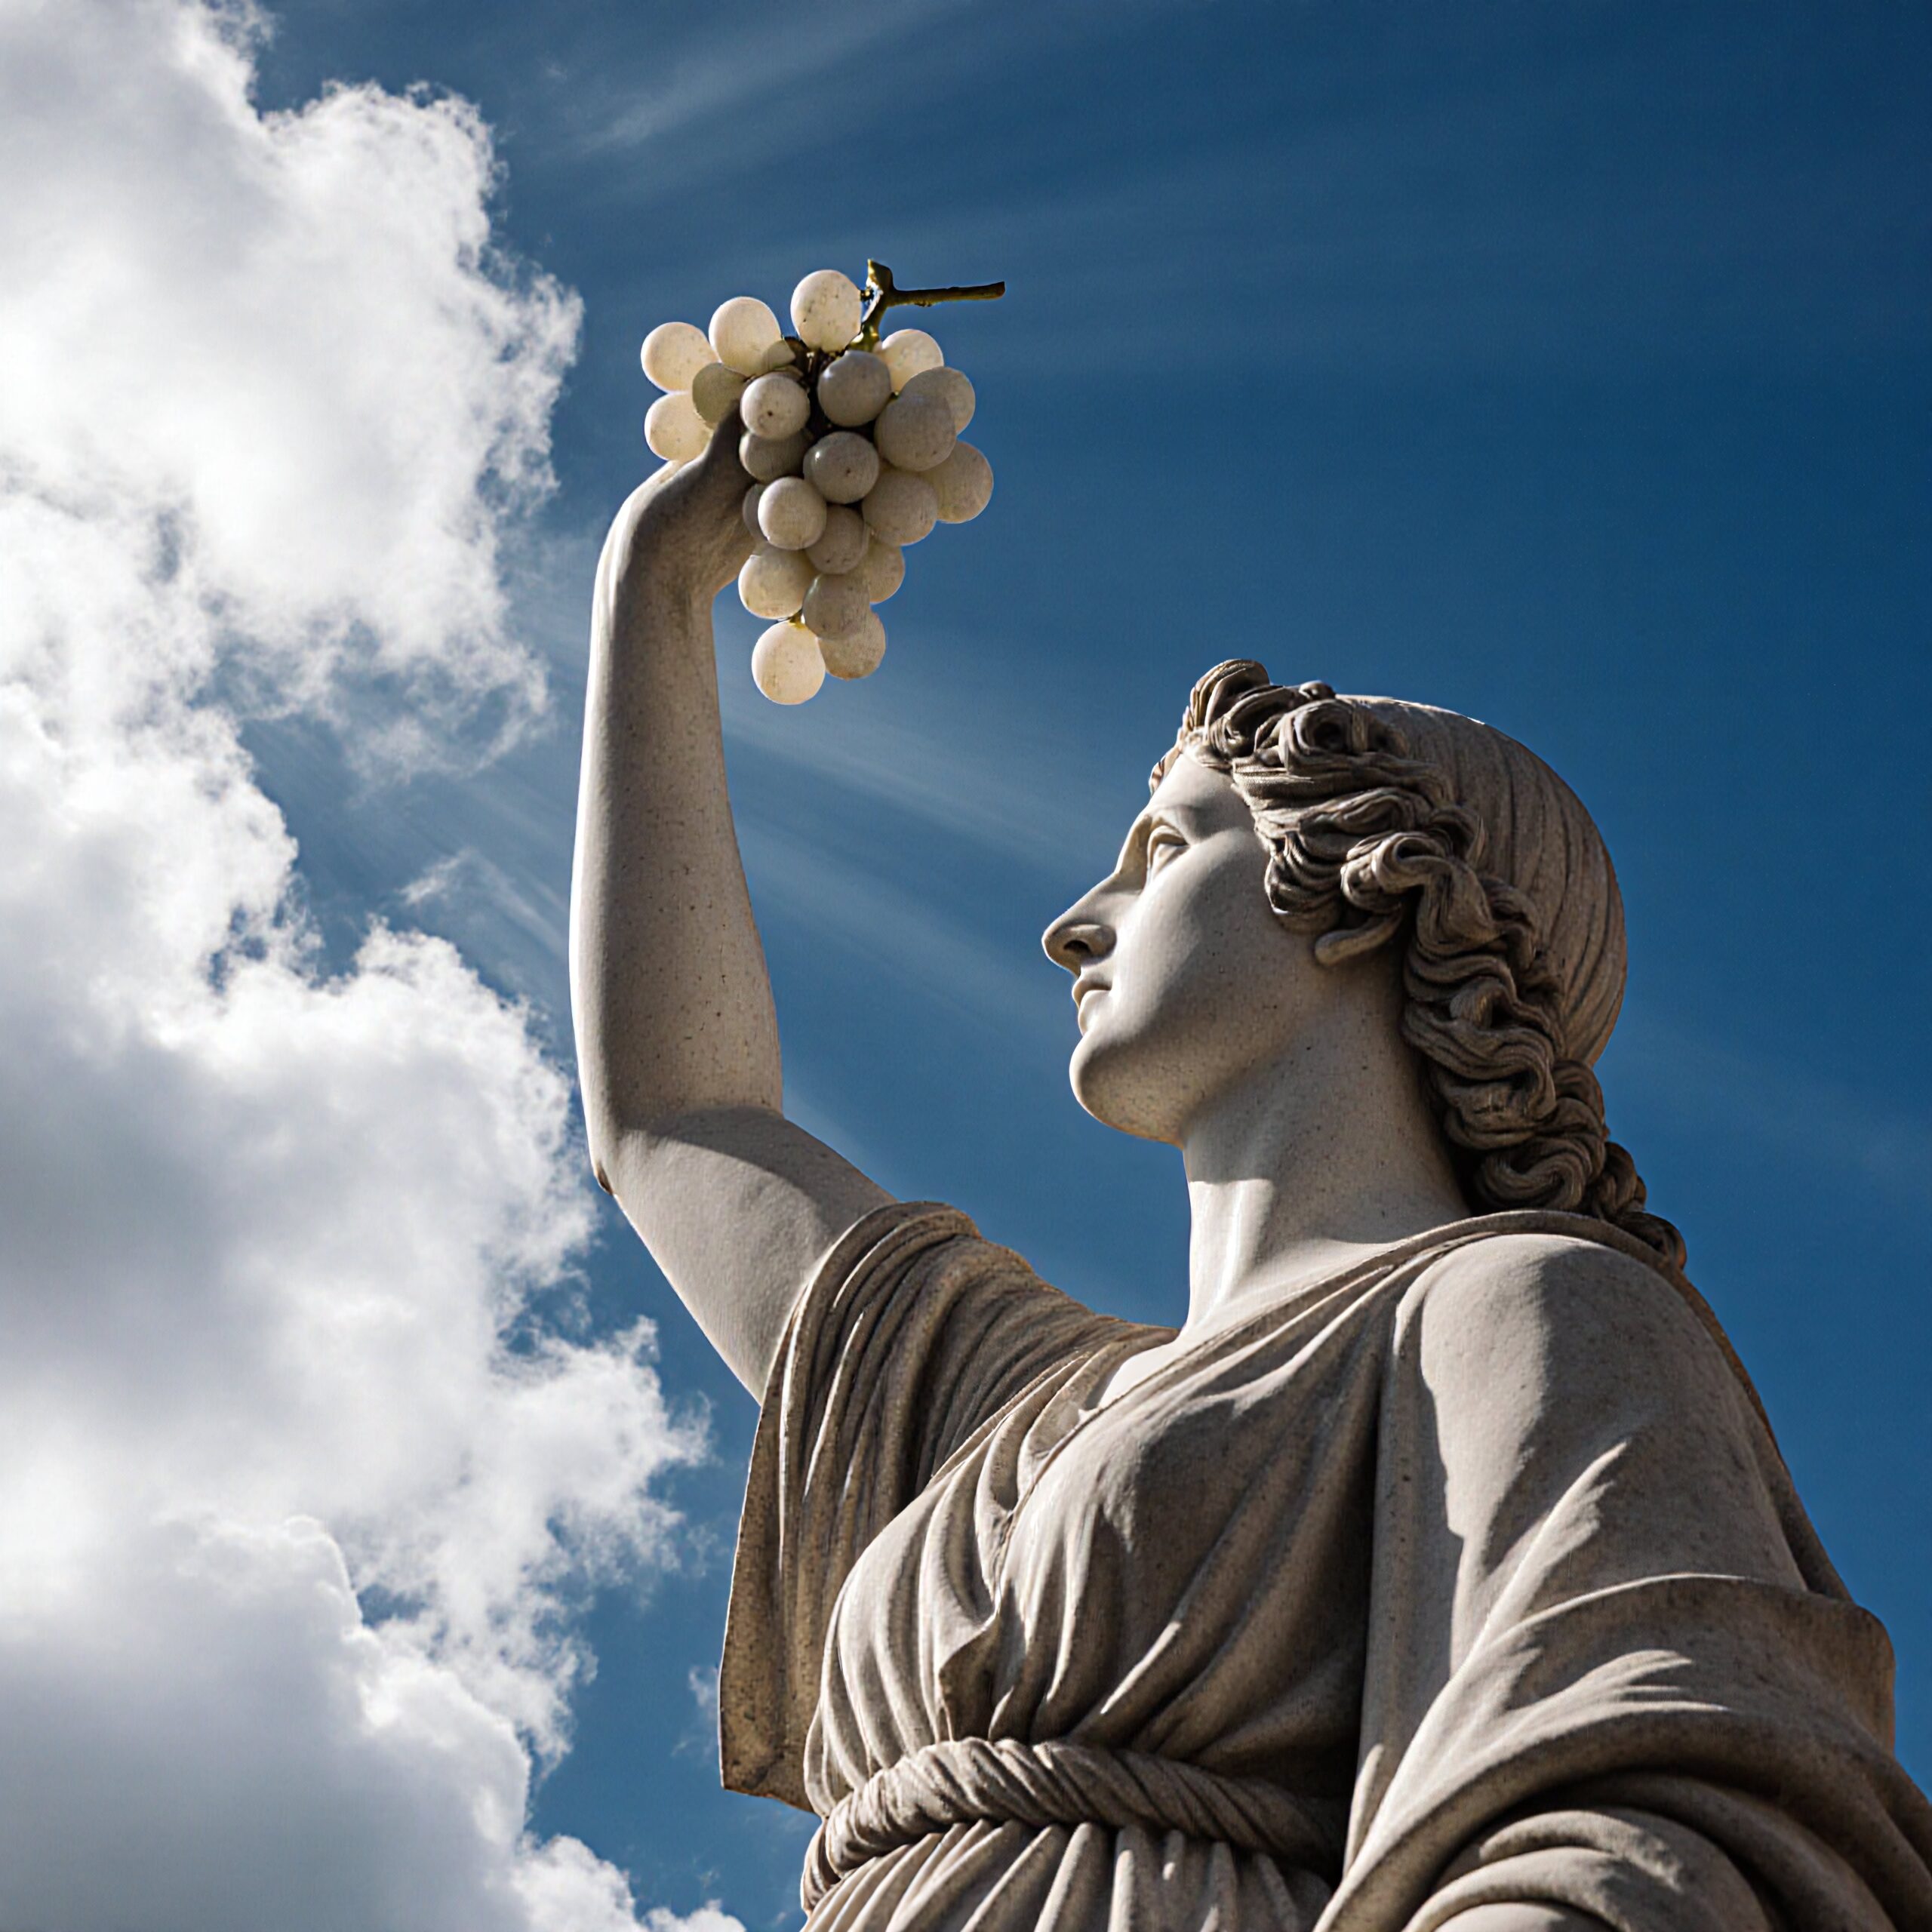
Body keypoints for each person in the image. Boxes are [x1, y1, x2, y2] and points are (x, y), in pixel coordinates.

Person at [570, 416, 1931, 1930]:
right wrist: (658, 581)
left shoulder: (1525, 1308)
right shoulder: (1004, 1405)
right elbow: (674, 1118)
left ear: (1363, 888)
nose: (1074, 921)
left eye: (1160, 849)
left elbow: (1659, 1807)